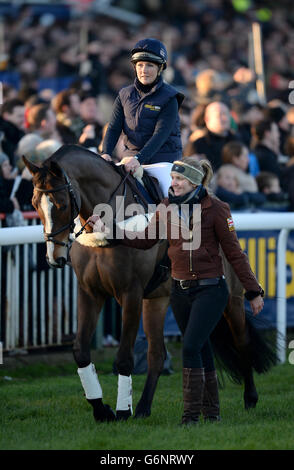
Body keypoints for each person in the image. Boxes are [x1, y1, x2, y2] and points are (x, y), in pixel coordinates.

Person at [87, 157, 264, 424]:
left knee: (190, 347)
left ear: (193, 182)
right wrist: (108, 230)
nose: (174, 183)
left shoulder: (218, 209)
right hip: (181, 291)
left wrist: (253, 290)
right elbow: (145, 239)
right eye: (173, 178)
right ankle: (212, 413)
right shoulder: (166, 207)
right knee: (202, 348)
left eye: (179, 179)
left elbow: (235, 254)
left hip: (211, 288)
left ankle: (190, 416)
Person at [101, 38, 184, 196]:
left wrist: (139, 158)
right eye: (140, 65)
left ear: (160, 68)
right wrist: (105, 153)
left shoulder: (170, 97)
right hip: (129, 161)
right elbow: (113, 128)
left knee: (173, 201)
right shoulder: (124, 94)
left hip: (162, 162)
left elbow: (160, 135)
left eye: (150, 65)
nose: (144, 70)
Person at [188, 101, 239, 171]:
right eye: (219, 115)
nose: (225, 118)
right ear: (207, 119)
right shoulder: (198, 144)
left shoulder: (237, 140)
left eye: (226, 114)